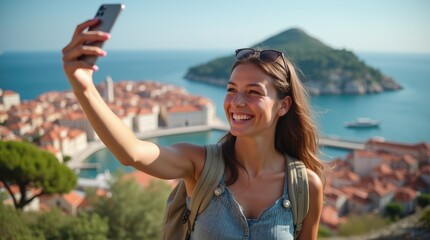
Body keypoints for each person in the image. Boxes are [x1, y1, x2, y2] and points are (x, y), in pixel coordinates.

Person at [62, 18, 324, 240]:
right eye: (231, 90)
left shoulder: (305, 186)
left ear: (283, 105)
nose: (237, 102)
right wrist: (83, 87)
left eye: (253, 92)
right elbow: (132, 153)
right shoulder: (199, 165)